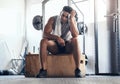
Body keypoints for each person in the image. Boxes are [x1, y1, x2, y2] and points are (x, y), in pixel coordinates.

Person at [37, 6, 82, 78]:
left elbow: (75, 35)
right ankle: (43, 70)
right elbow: (44, 34)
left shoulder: (72, 20)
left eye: (66, 17)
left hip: (67, 46)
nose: (63, 18)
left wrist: (71, 20)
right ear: (60, 13)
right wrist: (57, 38)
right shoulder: (53, 19)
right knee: (43, 41)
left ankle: (78, 70)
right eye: (62, 15)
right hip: (55, 46)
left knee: (75, 40)